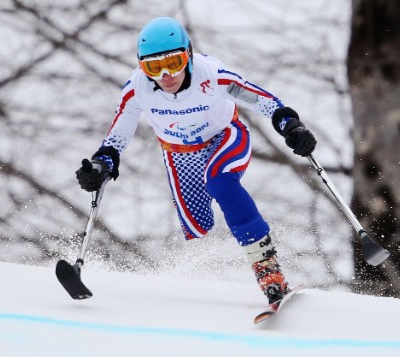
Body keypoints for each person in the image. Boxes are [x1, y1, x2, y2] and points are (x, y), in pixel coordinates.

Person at [76, 17, 316, 304]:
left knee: (220, 182)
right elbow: (117, 138)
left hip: (225, 135)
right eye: (153, 67)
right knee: (198, 225)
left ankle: (268, 271)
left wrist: (290, 125)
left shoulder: (213, 75)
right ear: (142, 67)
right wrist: (102, 165)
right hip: (179, 153)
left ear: (188, 55)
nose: (165, 74)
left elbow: (262, 100)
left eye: (173, 62)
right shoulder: (136, 88)